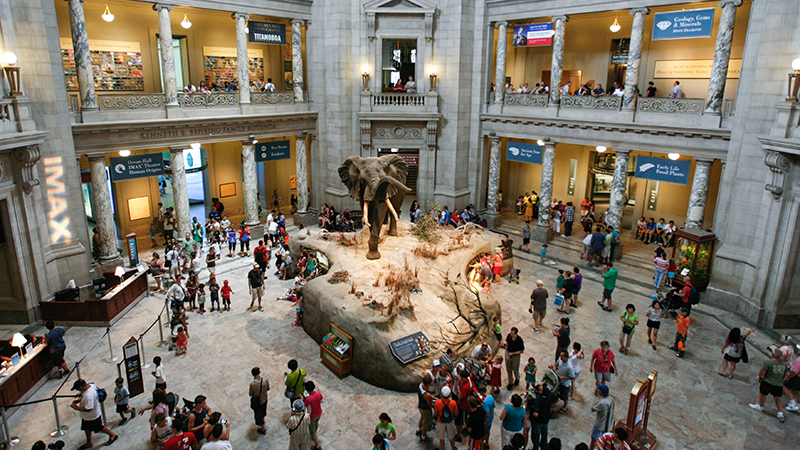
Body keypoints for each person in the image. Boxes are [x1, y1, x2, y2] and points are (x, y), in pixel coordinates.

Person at [71, 379, 118, 448]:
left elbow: (89, 408)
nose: (78, 390)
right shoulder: (91, 386)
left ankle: (112, 434)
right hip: (86, 417)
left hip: (92, 417)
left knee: (99, 428)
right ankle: (89, 442)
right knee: (86, 428)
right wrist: (80, 398)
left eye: (78, 388)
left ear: (81, 387)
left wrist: (75, 407)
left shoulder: (88, 396)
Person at [590, 384, 615, 450]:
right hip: (607, 424)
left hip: (599, 425)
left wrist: (597, 402)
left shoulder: (602, 402)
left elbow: (593, 409)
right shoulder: (611, 399)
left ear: (601, 392)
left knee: (594, 440)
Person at [530, 384, 556, 450]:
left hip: (538, 421)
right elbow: (557, 400)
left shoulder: (538, 399)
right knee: (544, 436)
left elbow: (536, 414)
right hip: (546, 419)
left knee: (536, 436)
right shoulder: (550, 395)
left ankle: (535, 448)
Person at [434, 385, 459, 450]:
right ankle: (453, 448)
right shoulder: (453, 403)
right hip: (450, 421)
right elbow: (456, 413)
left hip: (440, 421)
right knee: (451, 436)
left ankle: (442, 448)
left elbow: (435, 413)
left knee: (441, 437)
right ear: (449, 393)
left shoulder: (438, 402)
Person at [249, 367, 269, 435]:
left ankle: (263, 429)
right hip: (264, 399)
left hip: (258, 402)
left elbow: (251, 394)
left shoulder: (253, 384)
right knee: (263, 411)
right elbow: (268, 388)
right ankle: (263, 420)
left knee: (258, 415)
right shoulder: (265, 380)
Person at [304, 381, 323, 450]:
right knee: (316, 423)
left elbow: (305, 405)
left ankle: (317, 445)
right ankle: (315, 432)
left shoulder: (309, 399)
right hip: (319, 412)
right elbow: (321, 399)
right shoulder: (318, 394)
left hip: (312, 416)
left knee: (311, 430)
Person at [417, 374, 435, 443]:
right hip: (426, 409)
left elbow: (429, 396)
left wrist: (432, 397)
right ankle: (423, 437)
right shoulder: (426, 395)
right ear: (428, 384)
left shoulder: (421, 385)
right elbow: (430, 405)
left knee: (422, 418)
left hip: (420, 406)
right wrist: (435, 404)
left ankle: (419, 429)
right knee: (426, 423)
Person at [784, 345, 800, 412]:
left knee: (785, 387)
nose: (798, 350)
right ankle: (799, 405)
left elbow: (794, 371)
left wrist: (788, 377)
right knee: (799, 391)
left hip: (797, 378)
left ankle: (793, 404)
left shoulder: (799, 360)